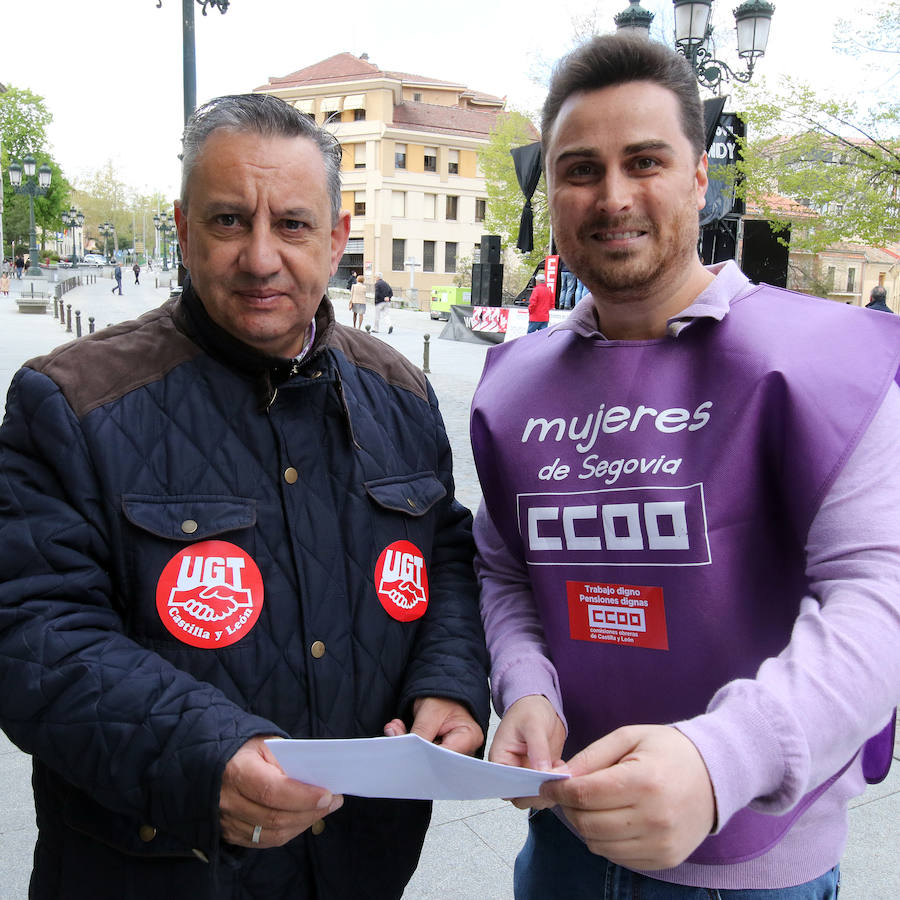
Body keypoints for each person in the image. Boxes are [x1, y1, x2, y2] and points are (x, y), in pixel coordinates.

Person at [0, 92, 489, 900]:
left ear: (337, 241)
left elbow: (446, 558)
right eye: (230, 221)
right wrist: (203, 755)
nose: (261, 257)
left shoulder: (400, 393)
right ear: (184, 231)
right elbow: (33, 631)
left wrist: (448, 679)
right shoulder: (71, 402)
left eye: (293, 225)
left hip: (356, 865)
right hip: (153, 872)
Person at [470, 34, 900, 900]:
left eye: (646, 160)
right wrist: (525, 690)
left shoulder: (821, 364)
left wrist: (719, 761)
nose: (613, 196)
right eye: (580, 168)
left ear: (701, 178)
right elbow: (504, 566)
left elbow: (879, 596)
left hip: (758, 867)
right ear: (550, 191)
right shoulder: (514, 386)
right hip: (565, 844)